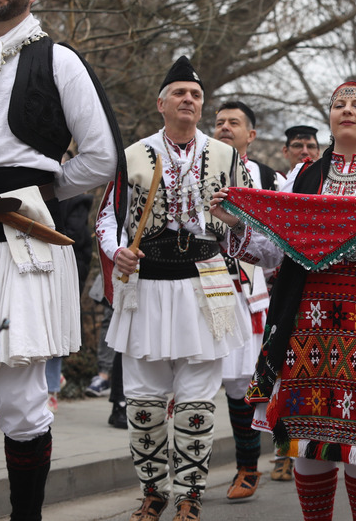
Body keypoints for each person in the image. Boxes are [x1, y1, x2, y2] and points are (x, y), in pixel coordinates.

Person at [210, 81, 356, 521]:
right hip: (305, 318)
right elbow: (277, 250)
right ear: (330, 117)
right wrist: (235, 223)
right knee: (303, 436)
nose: (348, 110)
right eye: (339, 104)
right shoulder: (304, 176)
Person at [0, 0, 125, 518]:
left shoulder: (59, 60)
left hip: (18, 243)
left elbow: (102, 156)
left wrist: (38, 193)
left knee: (23, 404)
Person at [95, 56, 253, 521]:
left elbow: (252, 224)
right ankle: (153, 492)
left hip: (206, 281)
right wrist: (116, 249)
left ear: (202, 107)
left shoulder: (227, 157)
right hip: (147, 279)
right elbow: (106, 216)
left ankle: (190, 494)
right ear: (161, 102)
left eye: (196, 94)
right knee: (142, 400)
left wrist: (232, 221)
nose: (189, 99)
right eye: (180, 92)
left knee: (197, 399)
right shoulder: (131, 154)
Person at [212, 100, 280, 498]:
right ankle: (189, 474)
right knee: (198, 381)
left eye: (233, 123)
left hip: (249, 289)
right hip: (198, 282)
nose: (224, 128)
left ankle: (248, 467)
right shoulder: (199, 168)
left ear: (250, 134)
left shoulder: (270, 178)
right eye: (219, 122)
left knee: (240, 381)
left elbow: (282, 237)